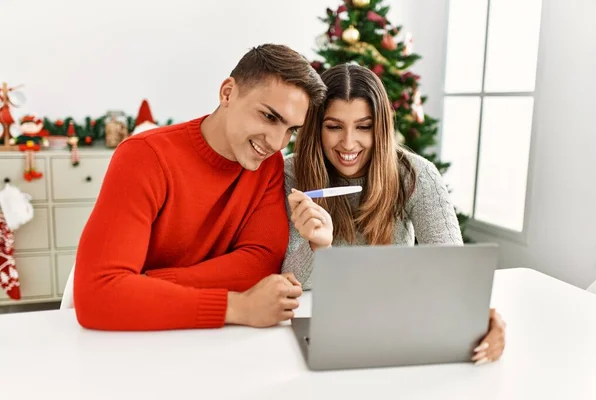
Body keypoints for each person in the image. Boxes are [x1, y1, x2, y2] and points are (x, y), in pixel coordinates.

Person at [73, 44, 327, 331]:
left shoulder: (268, 167)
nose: (277, 142)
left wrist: (145, 286)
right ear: (228, 93)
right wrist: (236, 307)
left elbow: (259, 265)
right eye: (269, 117)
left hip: (206, 343)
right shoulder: (143, 156)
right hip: (131, 344)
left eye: (292, 130)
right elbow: (99, 295)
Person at [283, 63, 506, 365]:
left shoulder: (417, 175)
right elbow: (290, 283)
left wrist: (485, 316)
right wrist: (317, 247)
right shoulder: (291, 174)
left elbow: (452, 270)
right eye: (334, 126)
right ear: (316, 126)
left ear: (381, 127)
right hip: (320, 325)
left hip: (399, 323)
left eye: (364, 126)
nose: (348, 143)